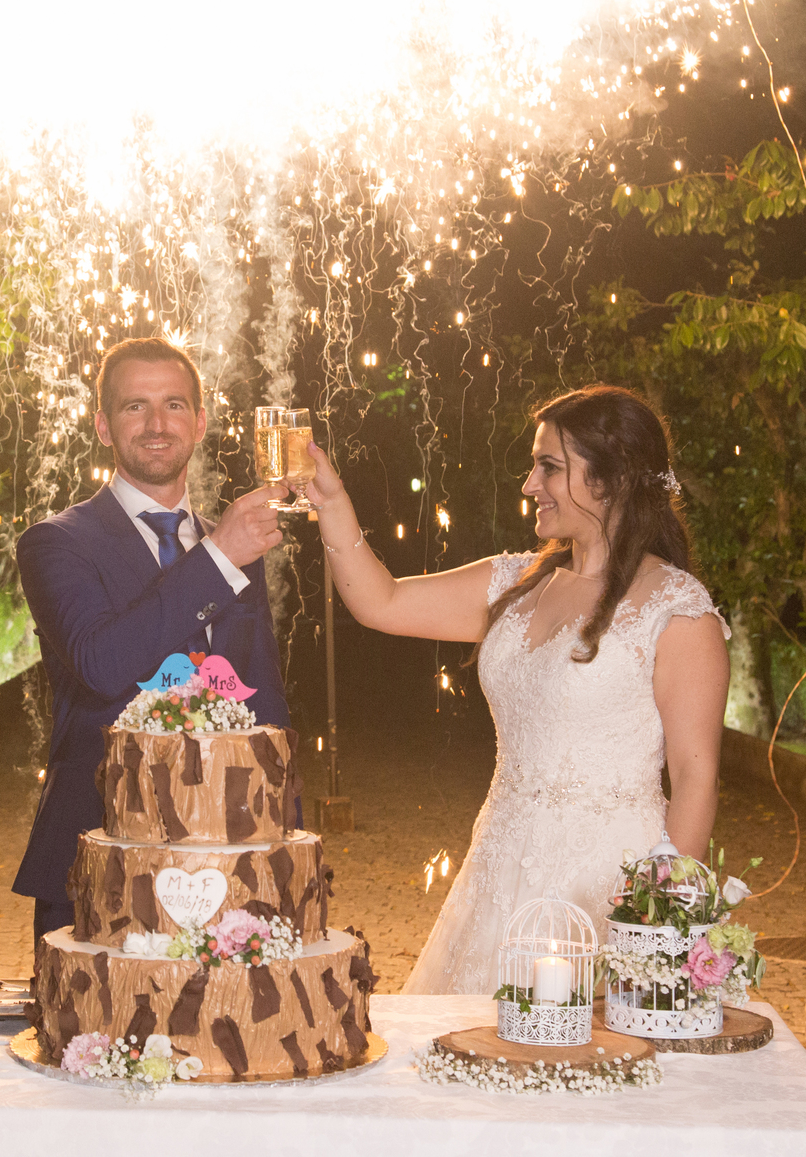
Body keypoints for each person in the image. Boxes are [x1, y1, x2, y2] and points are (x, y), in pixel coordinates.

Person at [305, 385, 730, 994]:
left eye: (549, 467)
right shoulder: (514, 582)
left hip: (609, 885)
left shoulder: (676, 612)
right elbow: (381, 601)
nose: (530, 484)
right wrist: (333, 501)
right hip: (499, 866)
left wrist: (657, 931)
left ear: (610, 480)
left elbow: (696, 778)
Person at [12, 337, 292, 950]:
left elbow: (260, 693)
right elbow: (101, 663)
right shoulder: (57, 543)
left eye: (173, 404)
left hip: (231, 851)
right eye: (135, 407)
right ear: (104, 428)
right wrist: (219, 557)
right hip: (98, 846)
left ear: (200, 422)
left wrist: (283, 833)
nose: (157, 424)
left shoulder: (235, 544)